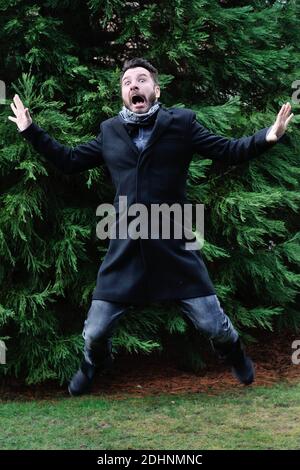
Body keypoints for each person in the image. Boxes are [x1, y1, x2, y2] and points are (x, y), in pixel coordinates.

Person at [8, 58, 294, 396]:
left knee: (212, 323)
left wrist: (269, 135)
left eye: (142, 79)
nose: (134, 85)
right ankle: (92, 364)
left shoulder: (182, 123)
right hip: (126, 246)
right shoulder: (110, 131)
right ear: (123, 94)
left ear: (155, 90)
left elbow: (227, 150)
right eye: (128, 81)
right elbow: (69, 160)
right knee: (96, 331)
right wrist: (31, 131)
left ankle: (234, 353)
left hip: (173, 243)